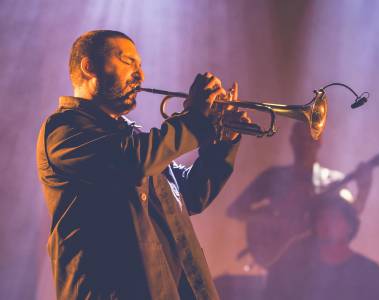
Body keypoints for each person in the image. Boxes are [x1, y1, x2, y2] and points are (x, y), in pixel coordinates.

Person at [36, 30, 249, 300]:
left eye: (140, 65)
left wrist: (223, 142)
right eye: (128, 62)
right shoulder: (64, 129)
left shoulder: (132, 137)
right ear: (89, 67)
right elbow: (131, 162)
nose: (141, 75)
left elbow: (192, 194)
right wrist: (193, 118)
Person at [227, 122, 372, 268]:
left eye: (309, 139)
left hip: (318, 263)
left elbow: (352, 213)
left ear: (319, 142)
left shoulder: (333, 181)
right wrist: (269, 219)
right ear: (292, 140)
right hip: (280, 260)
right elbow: (234, 210)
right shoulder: (273, 177)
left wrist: (364, 189)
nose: (304, 145)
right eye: (300, 138)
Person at [264, 195, 379, 300]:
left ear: (349, 226)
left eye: (334, 217)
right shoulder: (294, 269)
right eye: (322, 218)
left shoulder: (371, 273)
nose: (327, 223)